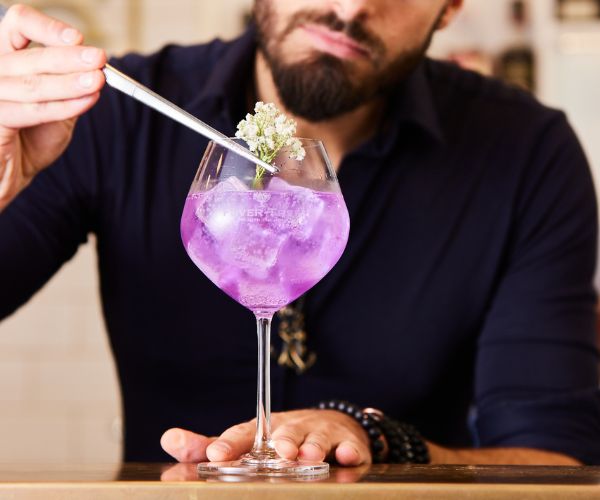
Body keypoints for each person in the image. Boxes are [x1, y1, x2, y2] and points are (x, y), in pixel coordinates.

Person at [1, 0, 599, 466]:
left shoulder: (527, 155)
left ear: (449, 7)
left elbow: (557, 462)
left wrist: (381, 443)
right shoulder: (113, 114)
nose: (349, 7)